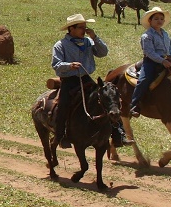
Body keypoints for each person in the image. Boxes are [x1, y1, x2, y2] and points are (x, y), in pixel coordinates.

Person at [52, 14, 132, 148]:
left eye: (85, 27)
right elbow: (56, 65)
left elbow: (103, 52)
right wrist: (69, 65)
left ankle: (119, 134)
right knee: (63, 104)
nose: (84, 30)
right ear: (71, 28)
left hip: (86, 78)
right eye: (81, 27)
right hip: (69, 80)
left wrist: (94, 37)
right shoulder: (61, 45)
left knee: (109, 99)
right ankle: (61, 136)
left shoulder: (89, 42)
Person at [130, 7, 171, 117]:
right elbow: (149, 52)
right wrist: (162, 61)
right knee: (144, 80)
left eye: (161, 18)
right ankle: (134, 105)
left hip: (167, 60)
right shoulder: (147, 36)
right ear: (150, 21)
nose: (159, 21)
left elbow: (170, 48)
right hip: (151, 62)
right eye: (156, 19)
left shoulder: (165, 34)